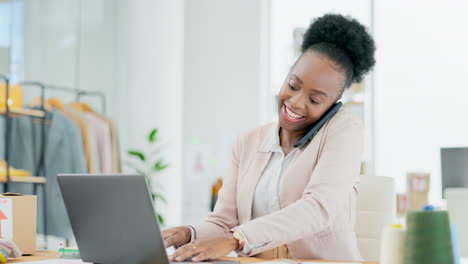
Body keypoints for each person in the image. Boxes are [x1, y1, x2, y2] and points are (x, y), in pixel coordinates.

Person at [163, 13, 376, 261]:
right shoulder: (247, 143)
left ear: (332, 106)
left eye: (315, 99)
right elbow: (223, 221)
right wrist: (188, 233)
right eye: (293, 85)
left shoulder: (344, 130)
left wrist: (237, 239)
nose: (296, 102)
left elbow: (317, 208)